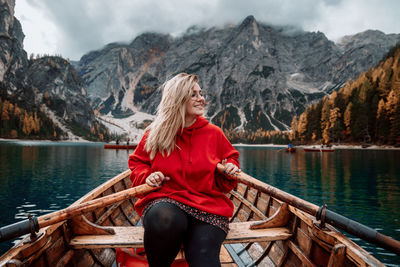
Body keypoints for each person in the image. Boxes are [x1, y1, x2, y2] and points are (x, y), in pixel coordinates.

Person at [128, 73, 240, 267]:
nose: (201, 98)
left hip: (208, 207)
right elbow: (138, 164)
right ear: (178, 99)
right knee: (164, 219)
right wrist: (147, 176)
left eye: (200, 93)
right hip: (167, 200)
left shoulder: (214, 133)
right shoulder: (154, 134)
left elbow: (231, 159)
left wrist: (230, 166)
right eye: (194, 94)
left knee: (204, 256)